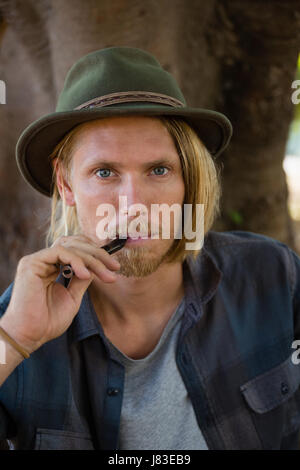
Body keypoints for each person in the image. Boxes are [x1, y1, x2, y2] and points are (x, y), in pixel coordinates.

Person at [0, 46, 299, 451]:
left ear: (187, 181)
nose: (134, 204)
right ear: (67, 184)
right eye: (104, 172)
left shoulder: (273, 275)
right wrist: (13, 340)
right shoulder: (18, 319)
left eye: (159, 170)